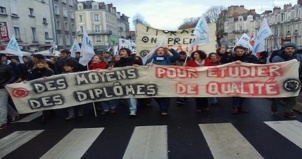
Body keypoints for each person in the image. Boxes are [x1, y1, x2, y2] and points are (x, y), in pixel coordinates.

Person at [271, 42, 302, 118]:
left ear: (295, 49)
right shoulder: (277, 58)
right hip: (280, 80)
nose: (290, 50)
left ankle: (288, 111)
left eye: (292, 49)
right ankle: (274, 105)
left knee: (293, 96)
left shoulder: (299, 57)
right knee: (277, 96)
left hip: (293, 81)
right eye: (288, 48)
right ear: (284, 49)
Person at [146, 47, 180, 116]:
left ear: (165, 52)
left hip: (165, 79)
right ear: (156, 52)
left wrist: (170, 49)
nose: (160, 51)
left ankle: (164, 109)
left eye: (162, 50)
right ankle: (162, 105)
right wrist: (148, 65)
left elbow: (177, 56)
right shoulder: (151, 59)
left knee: (165, 95)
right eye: (158, 50)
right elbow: (145, 66)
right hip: (154, 80)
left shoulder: (168, 58)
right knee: (155, 94)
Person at [231, 45, 259, 114]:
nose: (239, 53)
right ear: (235, 52)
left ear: (245, 51)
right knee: (235, 93)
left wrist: (247, 64)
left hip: (246, 79)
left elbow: (258, 64)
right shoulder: (232, 57)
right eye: (237, 51)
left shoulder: (251, 57)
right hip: (234, 79)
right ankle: (235, 107)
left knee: (243, 94)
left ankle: (240, 107)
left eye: (241, 51)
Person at [114, 48, 139, 116]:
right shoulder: (118, 61)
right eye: (120, 51)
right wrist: (113, 64)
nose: (121, 52)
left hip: (133, 80)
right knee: (128, 96)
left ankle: (132, 110)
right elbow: (113, 70)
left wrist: (138, 66)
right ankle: (134, 105)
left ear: (127, 52)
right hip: (123, 81)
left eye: (123, 51)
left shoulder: (134, 60)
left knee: (131, 95)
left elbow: (142, 68)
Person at [0, 54, 16, 129]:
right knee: (3, 104)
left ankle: (2, 122)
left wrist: (7, 83)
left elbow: (13, 75)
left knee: (2, 105)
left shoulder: (7, 67)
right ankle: (14, 114)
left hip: (3, 88)